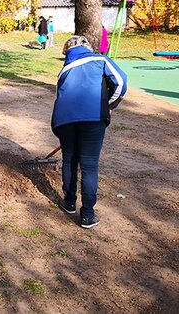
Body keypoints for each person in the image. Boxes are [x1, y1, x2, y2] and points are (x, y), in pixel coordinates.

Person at [52, 36, 127, 229]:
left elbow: (61, 97)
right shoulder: (100, 60)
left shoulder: (64, 71)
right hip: (93, 119)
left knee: (69, 160)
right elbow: (121, 83)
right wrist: (107, 105)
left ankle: (68, 203)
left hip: (64, 120)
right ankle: (87, 215)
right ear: (87, 47)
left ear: (67, 52)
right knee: (89, 166)